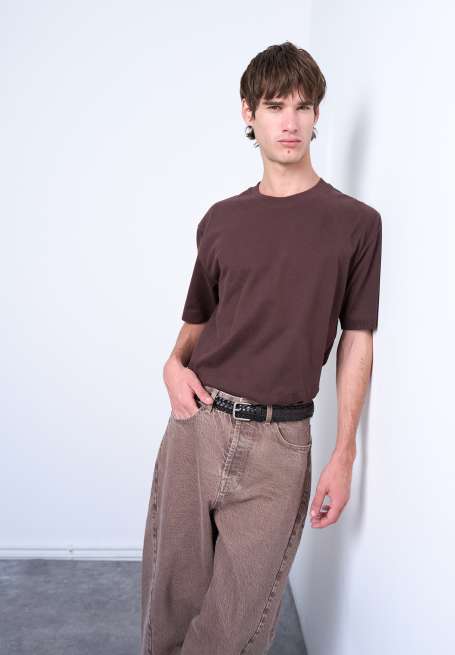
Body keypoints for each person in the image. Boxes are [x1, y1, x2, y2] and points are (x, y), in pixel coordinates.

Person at [140, 41, 382, 655]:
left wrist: (344, 453)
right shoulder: (221, 219)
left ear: (318, 114)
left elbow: (357, 339)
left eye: (303, 106)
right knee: (168, 612)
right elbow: (198, 318)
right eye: (275, 106)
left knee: (234, 628)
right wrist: (171, 364)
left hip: (281, 444)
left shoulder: (356, 223)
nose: (290, 122)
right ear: (249, 114)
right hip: (198, 427)